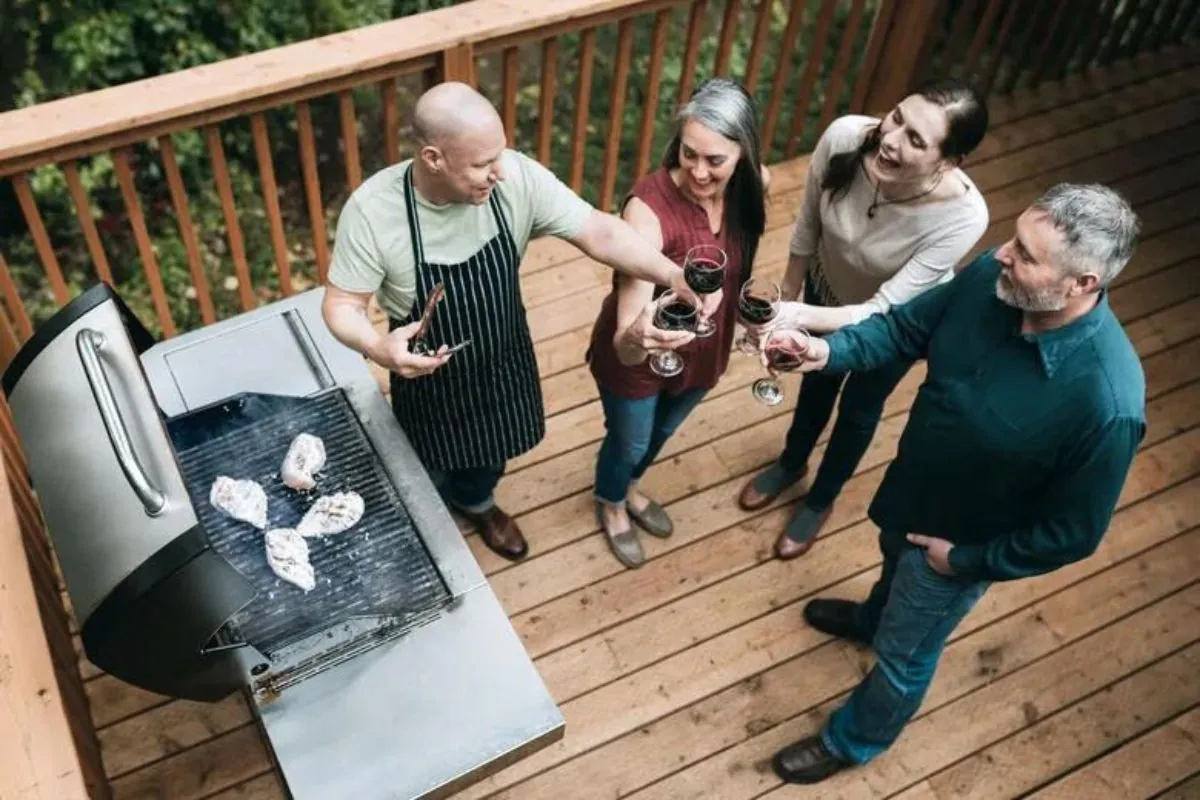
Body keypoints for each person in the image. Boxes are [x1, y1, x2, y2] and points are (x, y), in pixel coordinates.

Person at [767, 183, 1145, 785]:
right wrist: (822, 352)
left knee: (905, 657)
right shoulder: (993, 282)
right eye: (1013, 239)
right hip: (909, 492)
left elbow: (1072, 534)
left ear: (1082, 284)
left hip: (955, 552)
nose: (1002, 254)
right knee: (892, 583)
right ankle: (871, 619)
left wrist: (965, 559)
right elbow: (902, 331)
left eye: (1025, 252)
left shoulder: (1107, 404)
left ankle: (854, 739)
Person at [321, 81, 705, 562]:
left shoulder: (514, 178)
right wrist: (378, 348)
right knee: (424, 472)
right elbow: (341, 305)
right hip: (425, 374)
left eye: (499, 155)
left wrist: (673, 274)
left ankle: (478, 503)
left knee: (491, 455)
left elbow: (600, 230)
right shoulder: (374, 211)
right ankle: (427, 525)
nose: (499, 172)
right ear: (433, 158)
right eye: (482, 164)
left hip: (503, 353)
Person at [737, 79, 989, 560]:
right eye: (897, 116)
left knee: (858, 409)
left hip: (896, 324)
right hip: (823, 288)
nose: (891, 138)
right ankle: (792, 463)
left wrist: (794, 315)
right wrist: (790, 289)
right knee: (813, 383)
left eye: (917, 139)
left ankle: (821, 499)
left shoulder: (964, 217)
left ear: (950, 162)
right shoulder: (845, 137)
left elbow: (882, 309)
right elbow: (808, 219)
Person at [586, 77, 768, 568]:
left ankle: (631, 485)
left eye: (715, 161)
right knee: (633, 439)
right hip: (643, 354)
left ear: (744, 156)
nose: (699, 172)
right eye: (689, 154)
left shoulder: (753, 189)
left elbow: (738, 272)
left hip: (707, 348)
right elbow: (627, 340)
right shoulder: (646, 212)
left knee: (661, 435)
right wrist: (639, 336)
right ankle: (612, 500)